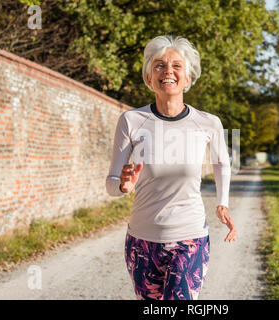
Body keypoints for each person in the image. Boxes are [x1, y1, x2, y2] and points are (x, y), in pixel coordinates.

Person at [105, 35, 236, 300]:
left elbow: (222, 162)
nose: (168, 71)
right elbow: (111, 183)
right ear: (148, 78)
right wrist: (122, 185)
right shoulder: (131, 120)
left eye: (177, 66)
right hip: (142, 241)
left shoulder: (208, 123)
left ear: (188, 78)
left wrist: (222, 202)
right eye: (159, 65)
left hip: (190, 238)